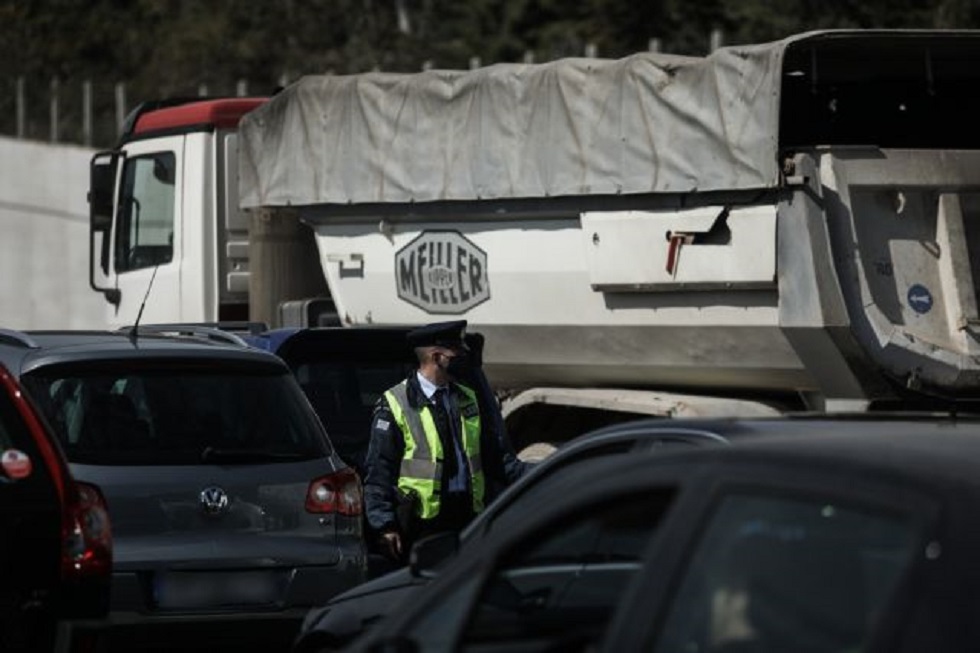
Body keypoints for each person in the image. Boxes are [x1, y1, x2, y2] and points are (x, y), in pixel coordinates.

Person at [363, 320, 528, 567]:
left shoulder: (467, 397)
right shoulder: (395, 404)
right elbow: (379, 472)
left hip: (469, 520)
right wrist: (384, 525)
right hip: (423, 526)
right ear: (437, 356)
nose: (463, 357)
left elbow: (496, 459)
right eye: (457, 352)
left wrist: (543, 471)